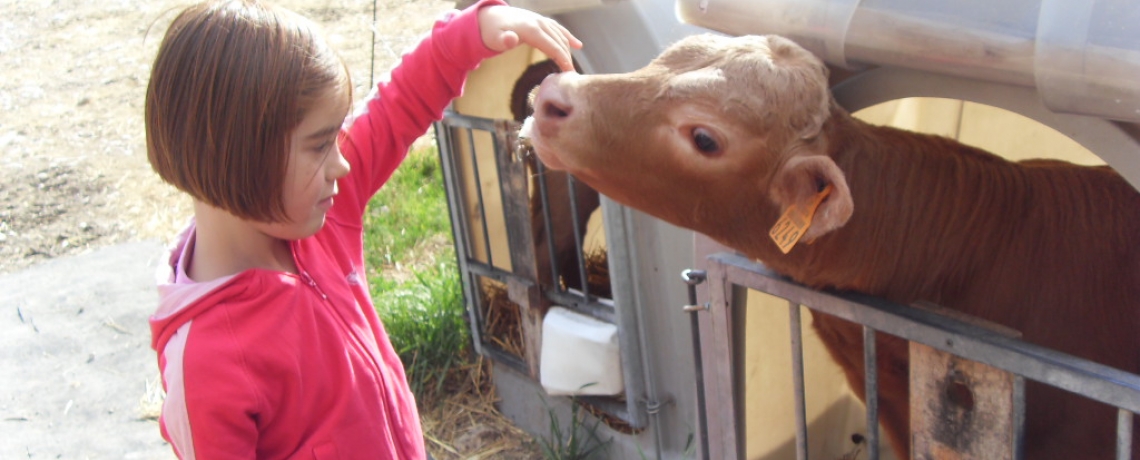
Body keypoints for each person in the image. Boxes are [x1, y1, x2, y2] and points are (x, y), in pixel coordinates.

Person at [144, 0, 580, 458]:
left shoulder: (317, 220)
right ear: (237, 157)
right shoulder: (207, 365)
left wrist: (473, 32)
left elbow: (399, 105)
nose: (343, 162)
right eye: (318, 146)